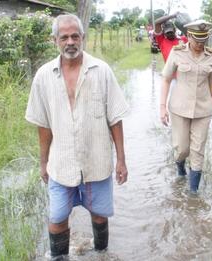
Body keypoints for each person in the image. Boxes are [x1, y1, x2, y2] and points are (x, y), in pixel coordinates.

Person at [25, 14, 129, 259]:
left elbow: (115, 118)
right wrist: (43, 162)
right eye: (64, 37)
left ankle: (102, 253)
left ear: (83, 37)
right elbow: (43, 125)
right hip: (61, 163)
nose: (70, 41)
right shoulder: (43, 76)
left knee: (100, 213)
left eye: (75, 36)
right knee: (57, 217)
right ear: (55, 41)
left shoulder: (101, 71)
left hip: (97, 160)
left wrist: (121, 160)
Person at [159, 19, 212, 194]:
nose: (200, 44)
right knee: (182, 149)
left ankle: (193, 193)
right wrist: (162, 107)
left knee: (198, 150)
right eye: (197, 40)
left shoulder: (210, 55)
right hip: (179, 108)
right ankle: (180, 167)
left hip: (203, 110)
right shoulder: (177, 52)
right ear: (188, 37)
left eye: (204, 41)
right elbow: (165, 79)